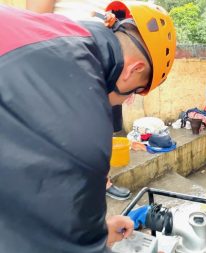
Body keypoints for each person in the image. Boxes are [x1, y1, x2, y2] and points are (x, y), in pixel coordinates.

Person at [0, 1, 176, 252]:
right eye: (135, 92)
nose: (127, 100)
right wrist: (90, 240)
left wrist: (97, 231)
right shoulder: (85, 130)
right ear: (134, 69)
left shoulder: (63, 30)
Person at [27, 0, 132, 201]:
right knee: (65, 134)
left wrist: (110, 20)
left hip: (101, 68)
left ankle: (101, 182)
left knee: (99, 131)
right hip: (66, 66)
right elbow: (33, 25)